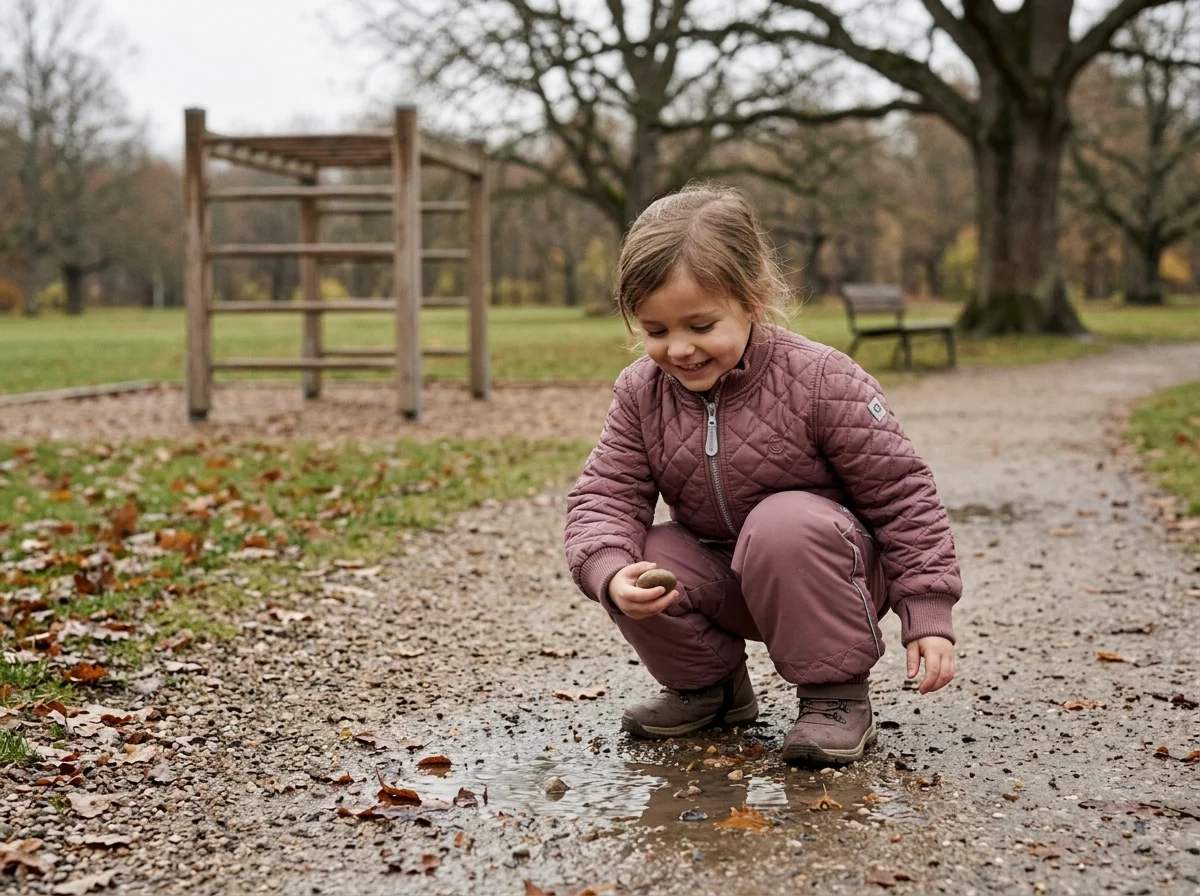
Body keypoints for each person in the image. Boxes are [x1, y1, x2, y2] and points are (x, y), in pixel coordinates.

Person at [563, 183, 961, 766]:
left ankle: (835, 698)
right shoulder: (640, 393)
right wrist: (610, 571)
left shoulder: (821, 378)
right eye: (656, 331)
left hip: (827, 574)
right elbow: (605, 494)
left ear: (752, 299)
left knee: (784, 522)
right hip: (726, 577)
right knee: (640, 550)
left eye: (701, 326)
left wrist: (927, 610)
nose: (679, 349)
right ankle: (711, 689)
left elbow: (902, 496)